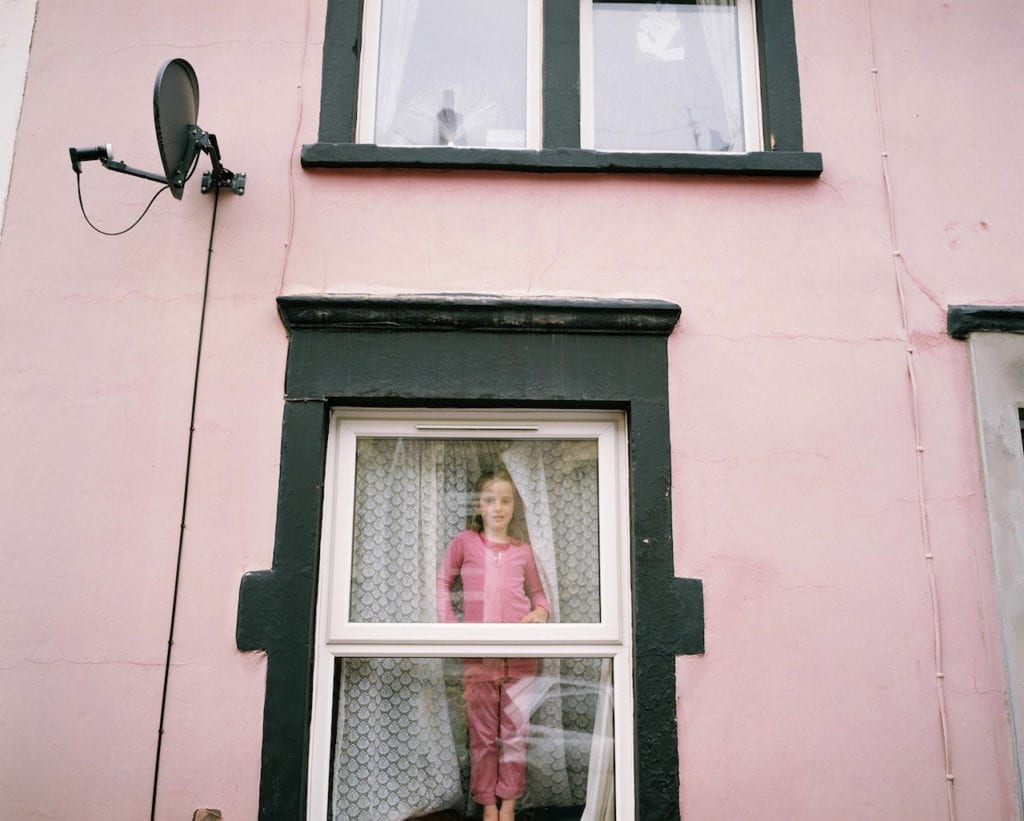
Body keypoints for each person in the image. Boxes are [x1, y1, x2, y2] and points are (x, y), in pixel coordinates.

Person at [436, 468, 550, 821]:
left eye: (505, 500)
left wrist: (543, 612)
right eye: (490, 500)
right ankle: (487, 803)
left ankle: (510, 804)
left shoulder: (524, 551)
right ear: (478, 504)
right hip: (478, 657)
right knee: (483, 737)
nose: (498, 507)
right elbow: (443, 584)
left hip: (520, 657)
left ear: (514, 505)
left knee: (516, 734)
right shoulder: (464, 543)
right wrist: (451, 628)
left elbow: (538, 594)